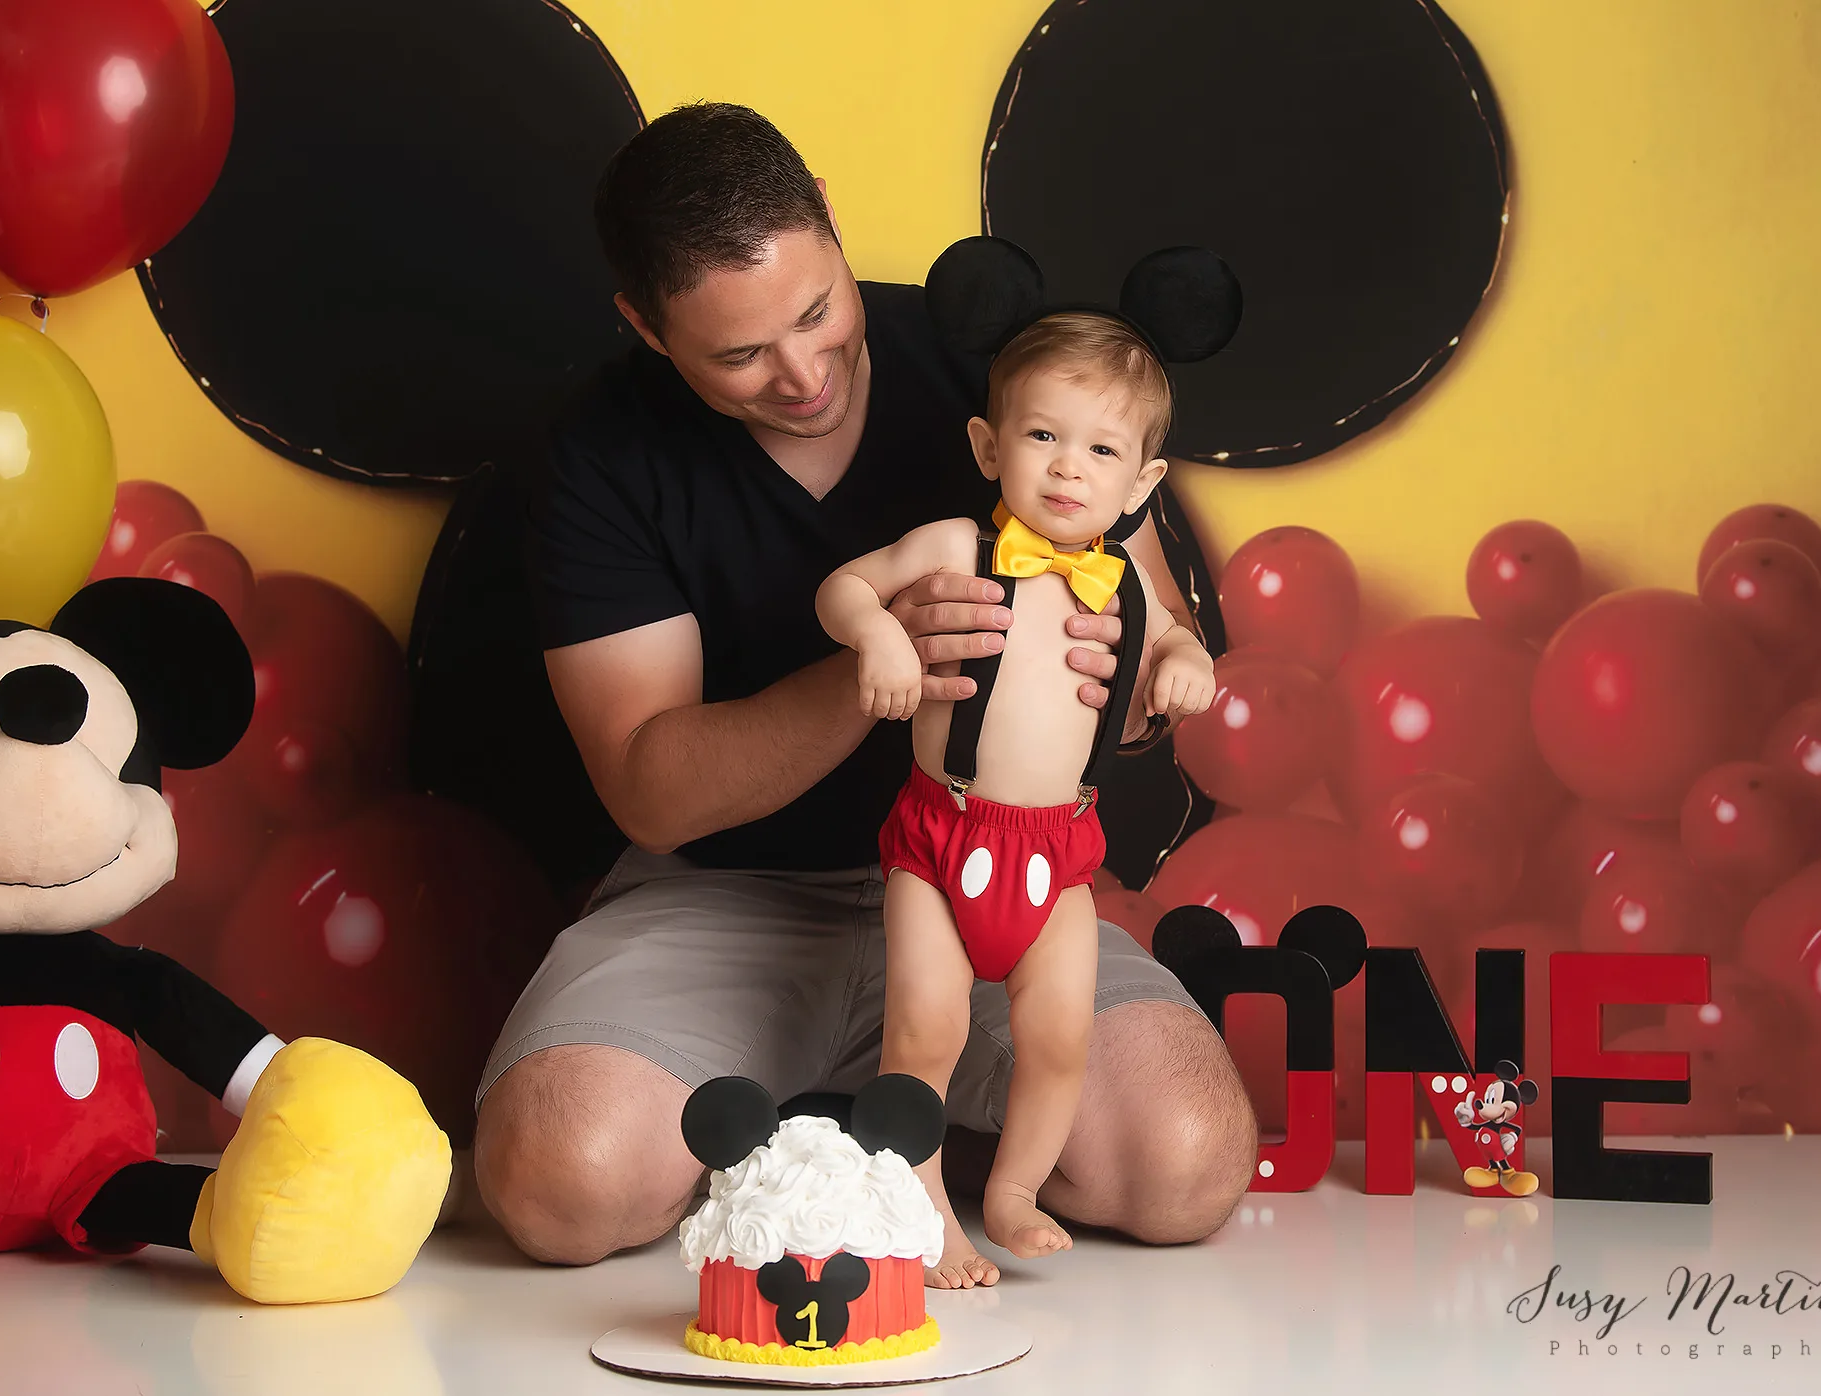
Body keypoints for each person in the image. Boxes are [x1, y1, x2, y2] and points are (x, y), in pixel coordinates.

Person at [471, 102, 1256, 1287]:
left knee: (1184, 1162)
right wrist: (878, 663)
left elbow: (1154, 624)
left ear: (830, 219)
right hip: (728, 896)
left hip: (1003, 875)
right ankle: (832, 1140)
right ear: (643, 324)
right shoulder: (600, 453)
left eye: (814, 311)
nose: (800, 373)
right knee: (557, 1177)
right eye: (738, 355)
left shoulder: (995, 362)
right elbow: (652, 790)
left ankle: (902, 1132)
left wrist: (1141, 686)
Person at [817, 307, 1217, 1282]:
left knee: (1056, 1032)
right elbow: (843, 588)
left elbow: (1176, 638)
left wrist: (1184, 662)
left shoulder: (1121, 581)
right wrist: (875, 638)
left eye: (1101, 449)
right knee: (928, 1025)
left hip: (1059, 851)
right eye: (1042, 436)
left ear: (1142, 482)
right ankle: (922, 1215)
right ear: (989, 447)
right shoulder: (955, 544)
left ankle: (1012, 1187)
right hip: (943, 835)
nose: (1069, 468)